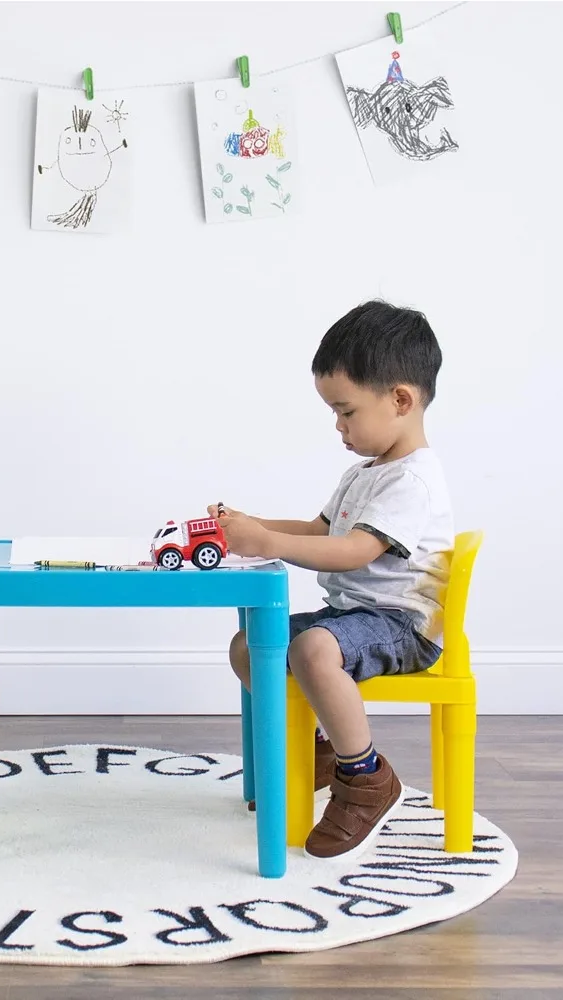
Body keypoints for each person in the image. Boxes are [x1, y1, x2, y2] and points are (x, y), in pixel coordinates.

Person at [211, 299, 454, 861]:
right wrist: (248, 526)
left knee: (315, 650)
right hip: (355, 617)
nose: (338, 426)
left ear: (400, 400)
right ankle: (322, 752)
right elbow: (318, 529)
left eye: (346, 411)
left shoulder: (412, 482)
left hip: (401, 624)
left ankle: (366, 776)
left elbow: (351, 551)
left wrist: (268, 545)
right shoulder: (364, 472)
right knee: (251, 646)